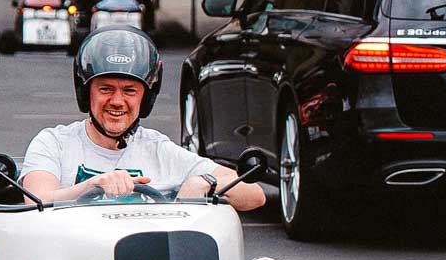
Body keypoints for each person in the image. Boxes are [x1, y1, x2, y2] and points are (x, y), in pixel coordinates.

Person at [21, 28, 267, 209]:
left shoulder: (158, 149)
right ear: (86, 93)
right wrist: (93, 185)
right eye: (105, 89)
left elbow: (255, 195)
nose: (117, 101)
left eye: (130, 91)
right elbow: (37, 199)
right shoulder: (54, 142)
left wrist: (206, 182)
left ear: (146, 99)